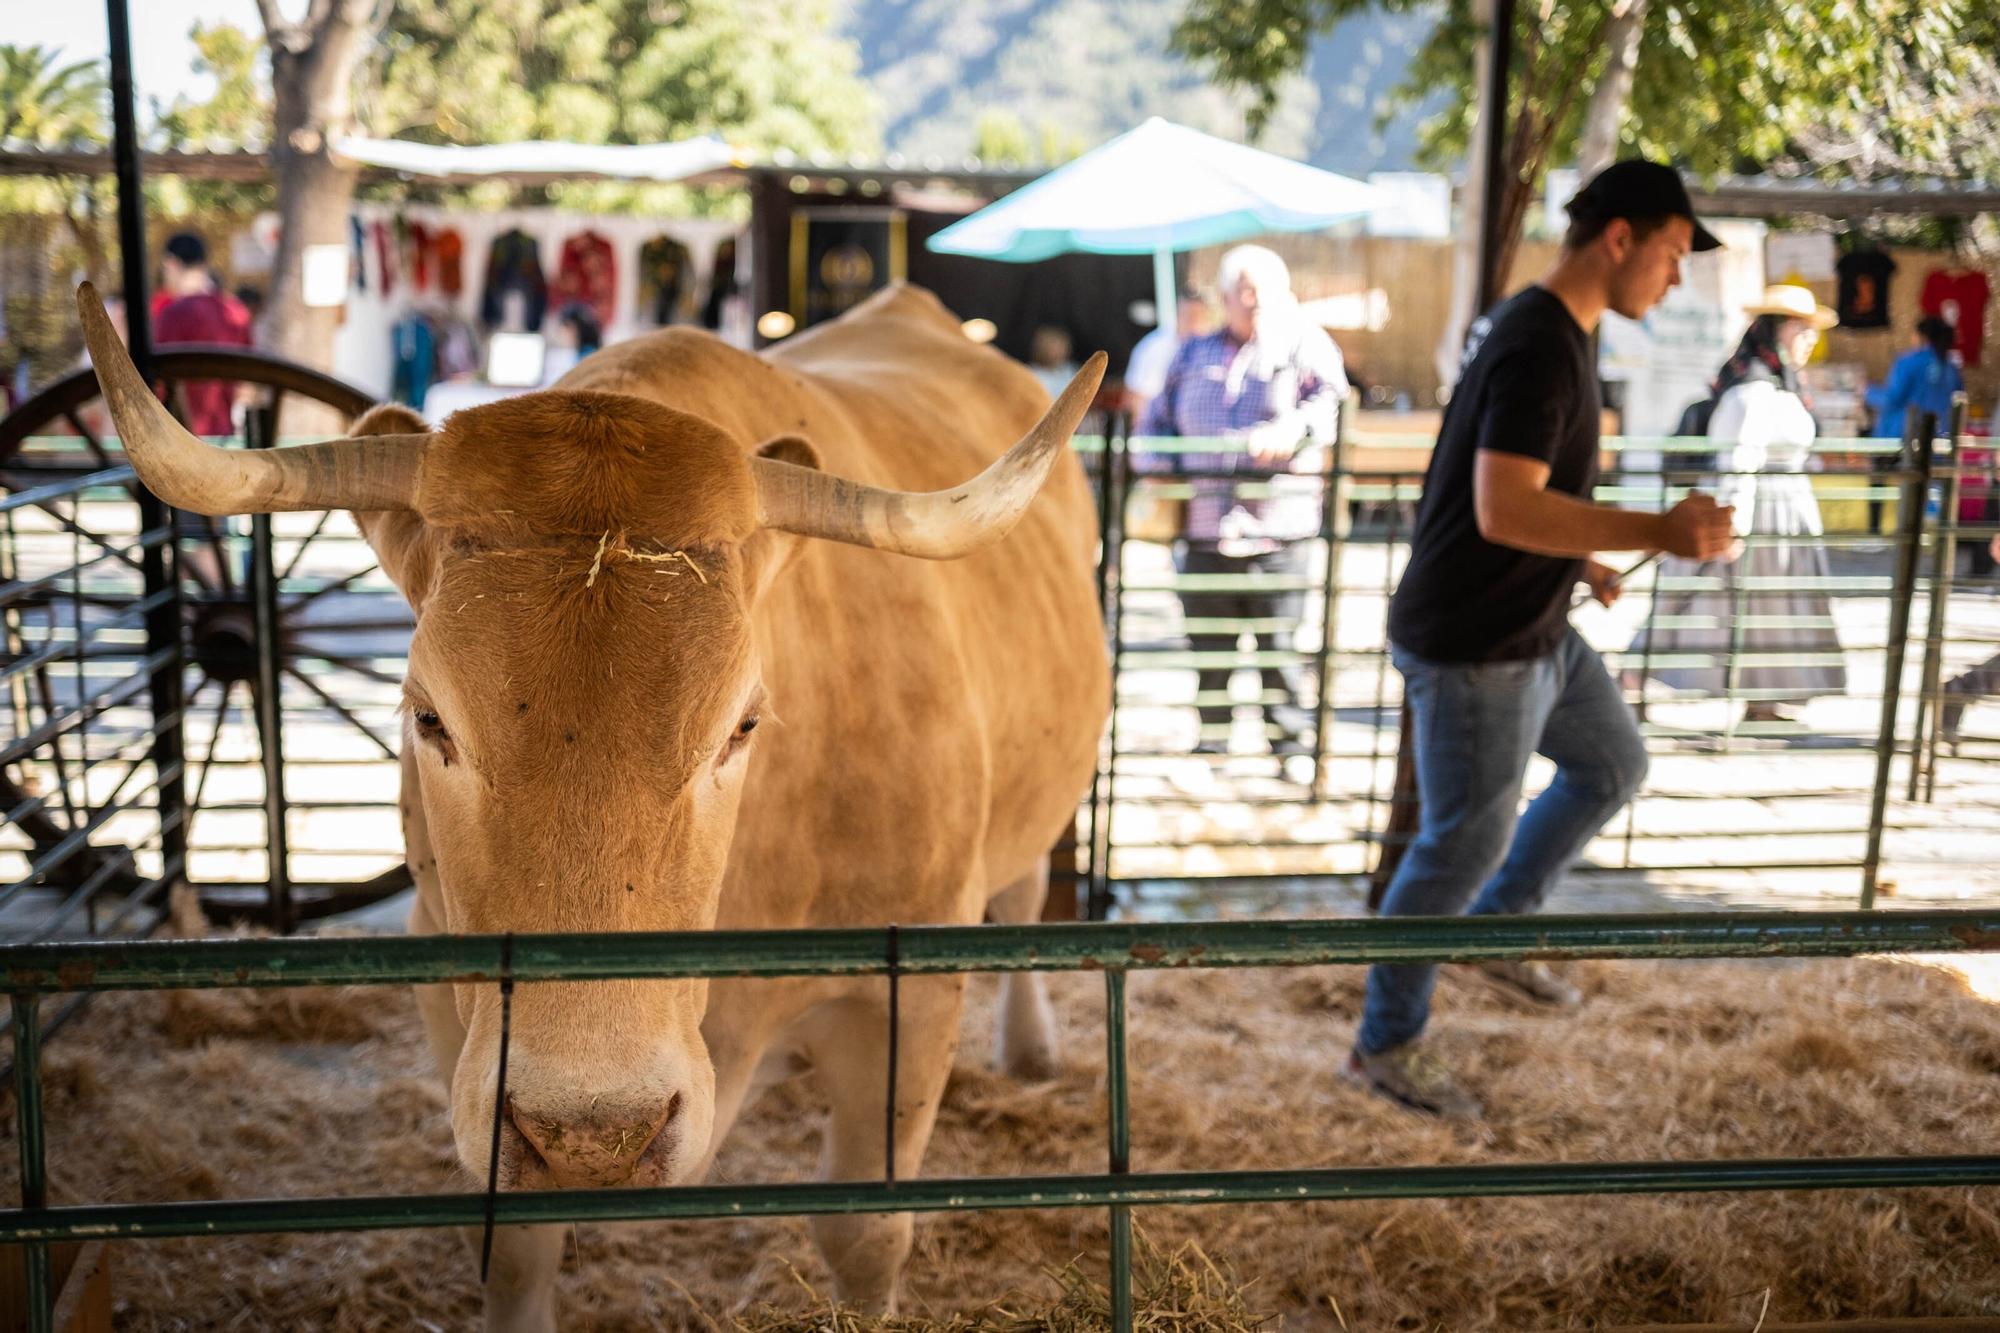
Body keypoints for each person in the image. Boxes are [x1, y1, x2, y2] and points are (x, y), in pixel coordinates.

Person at [1347, 161, 1739, 1118]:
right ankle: (1384, 1042)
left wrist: (1581, 563)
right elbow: (1503, 505)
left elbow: (1525, 505)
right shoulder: (1538, 344)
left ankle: (1499, 925)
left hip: (1533, 626)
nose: (1675, 279)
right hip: (1479, 644)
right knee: (1456, 846)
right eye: (1674, 254)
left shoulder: (1553, 333)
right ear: (1620, 239)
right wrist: (1654, 532)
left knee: (1612, 765)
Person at [1138, 244, 1347, 759]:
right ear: (1225, 297)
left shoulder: (1305, 346)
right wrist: (1158, 466)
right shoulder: (1191, 352)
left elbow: (1332, 404)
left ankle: (1289, 748)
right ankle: (1213, 742)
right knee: (1209, 647)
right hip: (1206, 526)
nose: (1252, 301)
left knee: (1280, 648)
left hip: (1279, 529)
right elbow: (1155, 421)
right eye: (1242, 290)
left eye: (1262, 290)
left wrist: (1292, 429)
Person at [1626, 286, 1848, 725]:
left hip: (1782, 516)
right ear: (1778, 332)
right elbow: (1737, 458)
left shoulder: (1785, 390)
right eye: (1802, 331)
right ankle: (1629, 679)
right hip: (1750, 510)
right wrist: (1735, 523)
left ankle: (1762, 697)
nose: (1808, 340)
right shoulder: (1749, 393)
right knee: (1693, 597)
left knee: (1769, 609)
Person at [1866, 315, 1964, 535]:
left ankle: (1875, 533)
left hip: (1900, 437)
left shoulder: (1908, 362)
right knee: (1926, 486)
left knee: (1879, 483)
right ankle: (1929, 529)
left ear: (1921, 336)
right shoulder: (1951, 367)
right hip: (1937, 439)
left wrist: (1867, 391)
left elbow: (1892, 399)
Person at [153, 232, 253, 439]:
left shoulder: (172, 315)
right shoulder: (236, 312)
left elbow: (158, 385)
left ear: (170, 264)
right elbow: (248, 384)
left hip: (181, 439)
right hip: (228, 436)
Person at [1124, 288, 1214, 420]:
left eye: (1197, 316)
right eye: (1187, 315)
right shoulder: (1152, 348)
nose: (1192, 322)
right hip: (1158, 432)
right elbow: (1136, 397)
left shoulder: (1217, 350)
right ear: (1178, 314)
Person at [542, 301, 603, 383]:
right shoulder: (585, 352)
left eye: (562, 329)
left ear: (573, 329)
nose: (560, 334)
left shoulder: (586, 357)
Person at [1027, 325, 1080, 401]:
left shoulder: (1072, 371)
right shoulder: (1031, 374)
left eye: (1060, 346)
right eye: (1053, 347)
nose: (1058, 351)